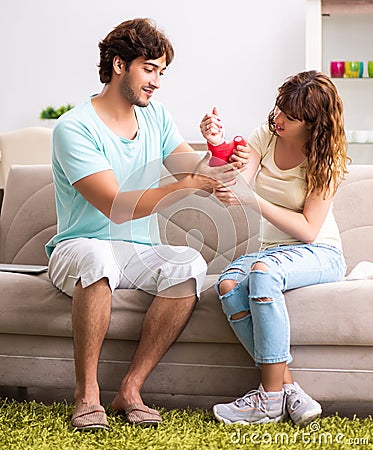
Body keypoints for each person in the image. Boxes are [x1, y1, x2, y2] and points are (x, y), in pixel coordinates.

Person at [46, 18, 248, 431]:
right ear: (119, 64)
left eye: (161, 72)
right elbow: (116, 207)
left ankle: (131, 389)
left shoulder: (154, 116)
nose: (156, 82)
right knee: (97, 255)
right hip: (80, 246)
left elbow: (187, 165)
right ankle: (86, 396)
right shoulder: (74, 127)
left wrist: (219, 158)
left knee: (188, 264)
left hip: (138, 250)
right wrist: (194, 184)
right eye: (149, 69)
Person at [200, 70, 349, 427]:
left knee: (262, 275)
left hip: (320, 253)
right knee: (229, 285)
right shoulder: (267, 134)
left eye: (291, 117)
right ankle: (290, 390)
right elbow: (238, 180)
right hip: (275, 252)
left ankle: (268, 400)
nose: (278, 120)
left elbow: (310, 230)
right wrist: (217, 146)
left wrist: (251, 201)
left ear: (314, 125)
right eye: (279, 109)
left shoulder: (328, 161)